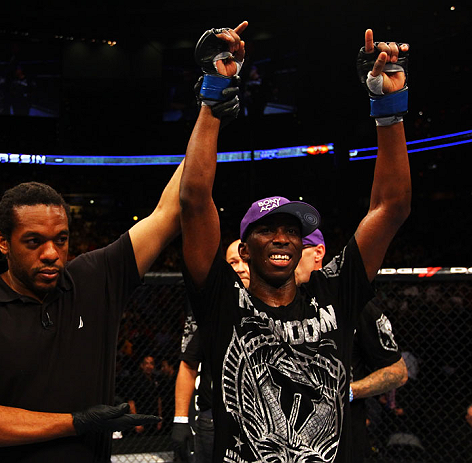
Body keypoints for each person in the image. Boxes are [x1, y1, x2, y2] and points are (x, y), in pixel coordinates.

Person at [180, 21, 411, 463]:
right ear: (243, 250)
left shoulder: (335, 294)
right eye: (267, 229)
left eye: (292, 230)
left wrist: (389, 107)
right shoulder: (222, 301)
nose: (282, 237)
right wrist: (214, 95)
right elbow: (193, 201)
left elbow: (391, 208)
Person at [0, 162, 184, 462]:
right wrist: (75, 423)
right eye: (34, 241)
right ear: (3, 242)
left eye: (60, 240)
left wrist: (209, 116)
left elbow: (170, 210)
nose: (51, 253)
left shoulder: (92, 279)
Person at [295, 230, 408, 462]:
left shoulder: (351, 303)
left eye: (298, 249)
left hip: (343, 437)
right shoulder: (274, 304)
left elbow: (398, 372)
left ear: (318, 253)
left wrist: (348, 391)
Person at [173, 239, 250, 463]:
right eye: (232, 262)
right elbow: (188, 364)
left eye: (244, 260)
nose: (239, 267)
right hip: (214, 419)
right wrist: (180, 420)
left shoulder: (277, 303)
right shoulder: (211, 308)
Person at [127, 355, 162, 435]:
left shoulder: (155, 379)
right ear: (142, 365)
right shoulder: (136, 380)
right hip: (141, 417)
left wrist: (160, 418)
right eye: (146, 363)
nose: (149, 366)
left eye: (151, 364)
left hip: (153, 418)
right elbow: (131, 401)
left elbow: (158, 399)